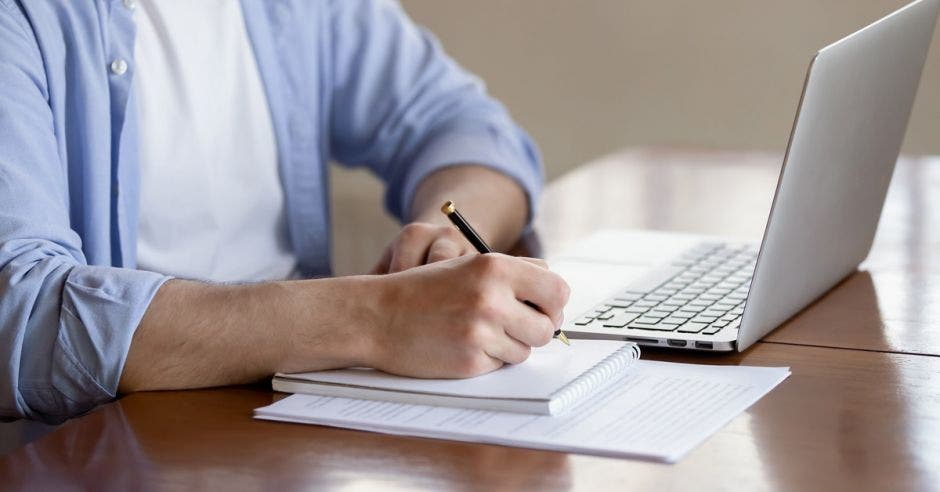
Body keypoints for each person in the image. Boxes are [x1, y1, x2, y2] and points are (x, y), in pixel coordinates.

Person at [0, 0, 569, 423]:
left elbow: (468, 127)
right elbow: (20, 317)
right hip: (121, 441)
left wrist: (447, 237)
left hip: (300, 417)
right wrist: (377, 317)